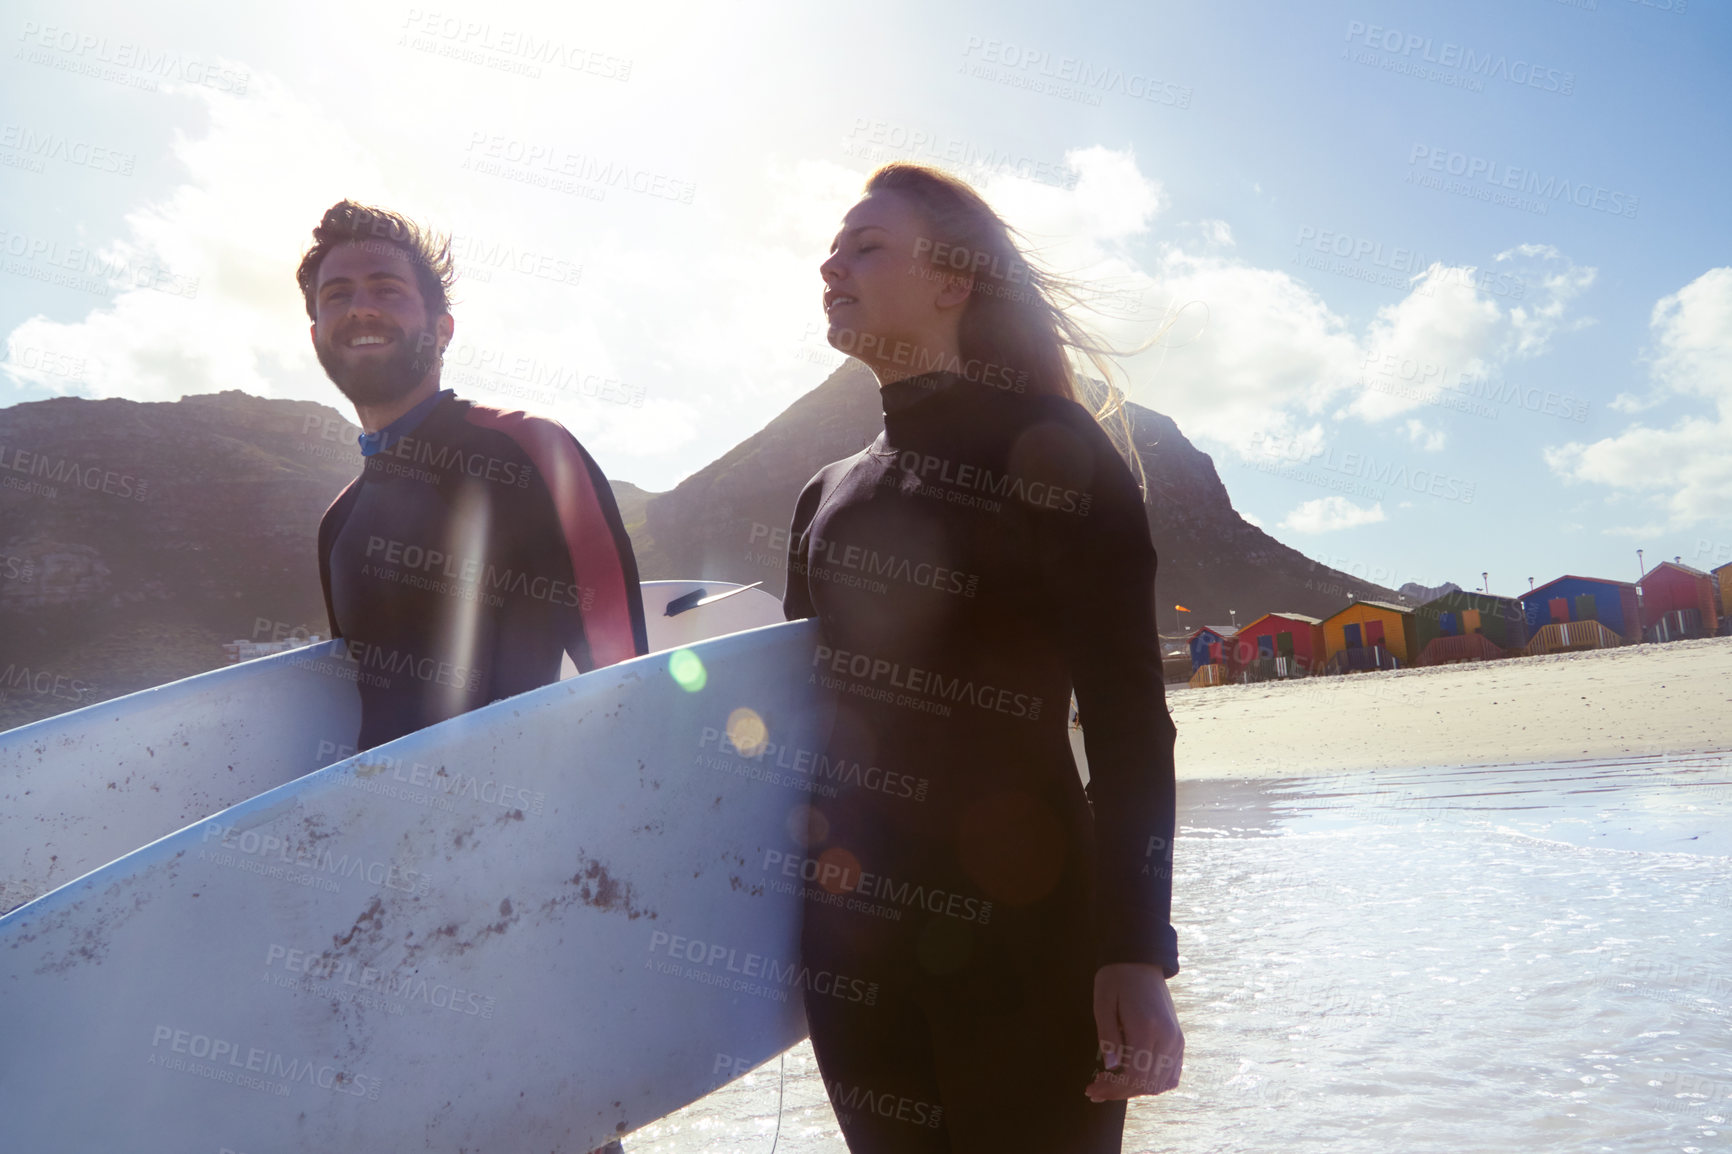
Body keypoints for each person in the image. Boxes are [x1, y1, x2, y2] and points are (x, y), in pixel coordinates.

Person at [783, 164, 1184, 1153]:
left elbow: (1131, 725)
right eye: (833, 246)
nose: (830, 261)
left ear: (953, 280)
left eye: (866, 243)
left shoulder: (1054, 454)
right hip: (855, 955)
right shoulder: (823, 494)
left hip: (1032, 941)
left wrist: (1136, 948)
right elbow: (799, 739)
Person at [300, 199, 647, 753]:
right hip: (377, 828)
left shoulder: (528, 448)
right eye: (337, 295)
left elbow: (627, 680)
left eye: (386, 289)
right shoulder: (337, 524)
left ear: (442, 330)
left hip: (518, 822)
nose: (360, 309)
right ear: (316, 334)